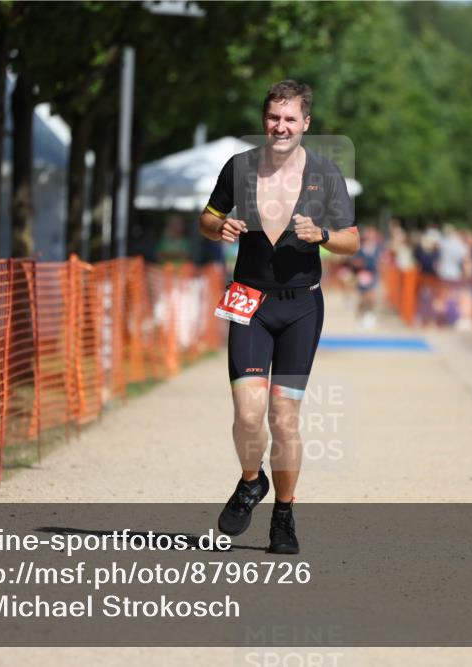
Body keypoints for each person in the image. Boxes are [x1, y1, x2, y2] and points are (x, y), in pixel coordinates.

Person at [198, 80, 359, 554]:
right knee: (248, 414)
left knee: (283, 419)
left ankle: (284, 516)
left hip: (301, 307)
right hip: (248, 300)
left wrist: (323, 234)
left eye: (290, 119)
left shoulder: (327, 175)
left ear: (306, 123)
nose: (281, 126)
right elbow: (206, 219)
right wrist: (218, 226)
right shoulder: (239, 168)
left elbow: (351, 240)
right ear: (264, 120)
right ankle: (252, 481)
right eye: (274, 117)